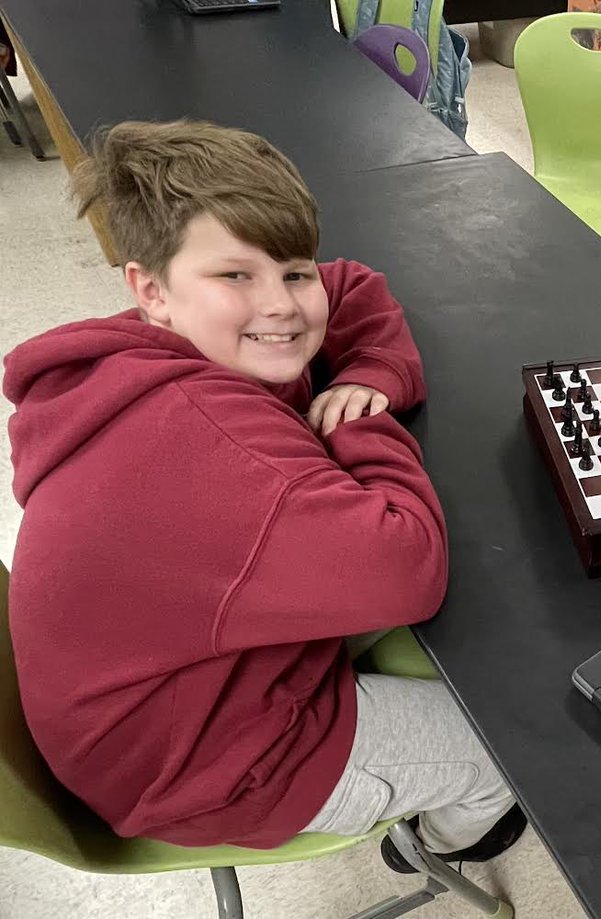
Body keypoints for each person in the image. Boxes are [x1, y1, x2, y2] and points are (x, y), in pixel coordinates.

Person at [3, 120, 523, 864]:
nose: (280, 304)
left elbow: (350, 284)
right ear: (150, 289)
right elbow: (411, 569)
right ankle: (432, 844)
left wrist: (364, 369)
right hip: (198, 765)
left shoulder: (162, 344)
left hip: (152, 695)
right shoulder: (214, 447)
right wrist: (362, 419)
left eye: (292, 269)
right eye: (236, 276)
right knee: (511, 744)